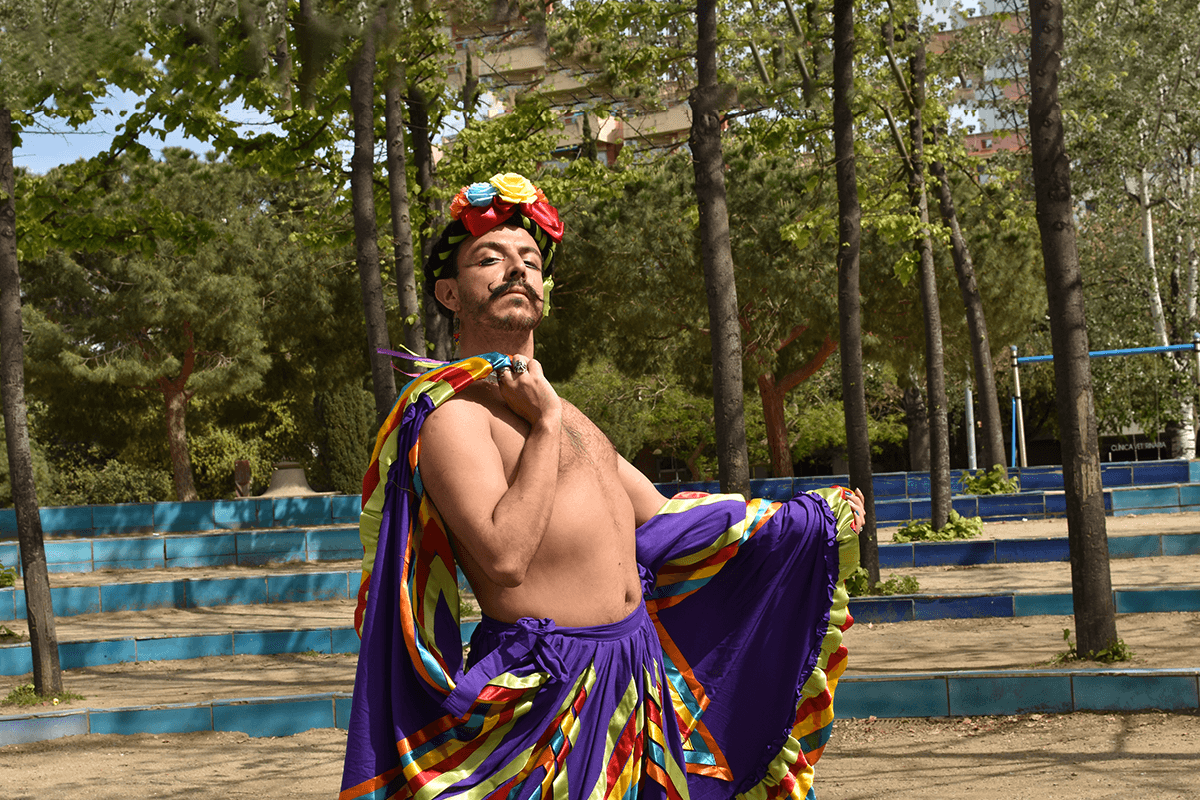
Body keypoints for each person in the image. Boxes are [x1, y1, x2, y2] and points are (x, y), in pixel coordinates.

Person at [340, 173, 864, 800]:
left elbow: (662, 516)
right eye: (490, 258)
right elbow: (504, 558)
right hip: (550, 699)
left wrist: (804, 521)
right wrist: (546, 424)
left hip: (637, 680)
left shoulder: (571, 414)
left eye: (529, 261)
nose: (516, 271)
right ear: (450, 293)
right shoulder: (453, 415)